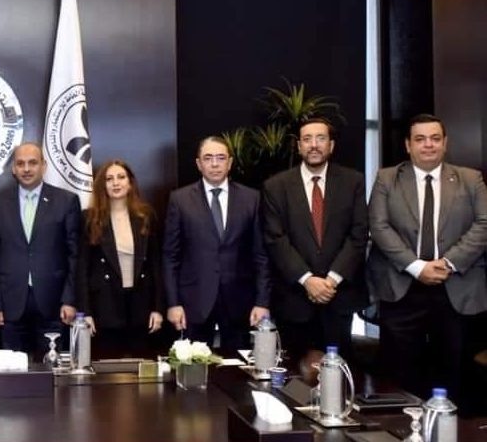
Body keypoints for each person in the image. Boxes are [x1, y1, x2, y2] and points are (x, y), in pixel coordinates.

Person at [368, 114, 487, 400]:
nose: (428, 145)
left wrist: (447, 263)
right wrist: (416, 266)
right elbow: (378, 226)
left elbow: (484, 223)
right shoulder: (387, 178)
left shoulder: (470, 179)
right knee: (399, 375)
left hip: (455, 287)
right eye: (420, 139)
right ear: (408, 145)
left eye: (435, 138)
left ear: (445, 143)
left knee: (453, 373)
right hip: (402, 288)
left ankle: (449, 424)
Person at [261, 118, 369, 360]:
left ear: (331, 145)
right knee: (293, 375)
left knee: (338, 371)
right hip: (294, 300)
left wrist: (330, 280)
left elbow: (359, 234)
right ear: (299, 146)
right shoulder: (276, 186)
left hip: (338, 296)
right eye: (307, 139)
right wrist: (308, 280)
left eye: (320, 138)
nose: (314, 145)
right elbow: (276, 239)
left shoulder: (353, 182)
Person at [163, 136, 271, 350]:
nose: (214, 164)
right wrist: (173, 303)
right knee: (194, 365)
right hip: (194, 301)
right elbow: (170, 256)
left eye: (221, 158)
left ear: (229, 163)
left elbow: (261, 255)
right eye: (208, 158)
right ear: (198, 164)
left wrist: (262, 302)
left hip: (240, 302)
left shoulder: (252, 198)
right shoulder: (180, 200)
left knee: (238, 366)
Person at [0, 143, 80, 355]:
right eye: (20, 163)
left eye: (32, 163)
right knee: (13, 370)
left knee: (52, 368)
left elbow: (74, 256)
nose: (26, 169)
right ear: (13, 169)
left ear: (44, 166)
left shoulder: (66, 201)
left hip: (54, 303)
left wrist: (70, 300)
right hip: (9, 305)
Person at [76, 160, 163, 357]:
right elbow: (82, 269)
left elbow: (155, 265)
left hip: (140, 306)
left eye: (121, 177)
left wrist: (158, 308)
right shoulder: (89, 218)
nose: (116, 183)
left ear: (130, 183)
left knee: (142, 367)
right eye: (109, 179)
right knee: (108, 367)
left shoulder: (146, 216)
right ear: (102, 185)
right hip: (105, 307)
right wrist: (86, 313)